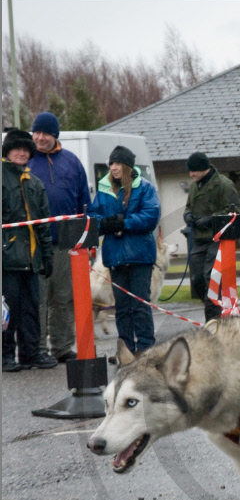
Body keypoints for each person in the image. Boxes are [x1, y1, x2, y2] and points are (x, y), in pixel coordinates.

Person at [29, 111, 91, 362]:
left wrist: (86, 239)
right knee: (39, 299)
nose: (40, 137)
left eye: (45, 133)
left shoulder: (72, 162)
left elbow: (84, 203)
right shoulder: (26, 160)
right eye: (37, 132)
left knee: (64, 298)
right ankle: (37, 349)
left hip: (67, 243)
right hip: (35, 244)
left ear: (55, 135)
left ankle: (63, 346)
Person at [88, 145, 161, 359]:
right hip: (116, 257)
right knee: (121, 308)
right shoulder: (103, 190)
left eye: (118, 163)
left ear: (128, 166)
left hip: (140, 257)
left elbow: (151, 216)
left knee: (140, 305)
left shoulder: (145, 188)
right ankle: (126, 351)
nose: (114, 168)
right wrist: (105, 223)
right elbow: (93, 218)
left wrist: (124, 223)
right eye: (111, 163)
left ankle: (147, 349)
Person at [2, 129, 57, 371]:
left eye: (26, 149)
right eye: (17, 148)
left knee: (31, 308)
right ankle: (5, 356)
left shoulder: (35, 183)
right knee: (7, 312)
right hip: (7, 260)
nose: (22, 153)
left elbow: (43, 224)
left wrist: (47, 255)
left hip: (31, 259)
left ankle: (31, 353)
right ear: (7, 151)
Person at [183, 152, 240, 322]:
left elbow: (235, 212)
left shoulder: (224, 185)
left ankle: (214, 319)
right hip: (198, 240)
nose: (191, 174)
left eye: (193, 171)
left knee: (212, 279)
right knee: (197, 279)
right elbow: (188, 207)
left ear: (203, 168)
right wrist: (188, 216)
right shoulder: (194, 186)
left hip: (218, 240)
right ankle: (213, 308)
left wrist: (211, 219)